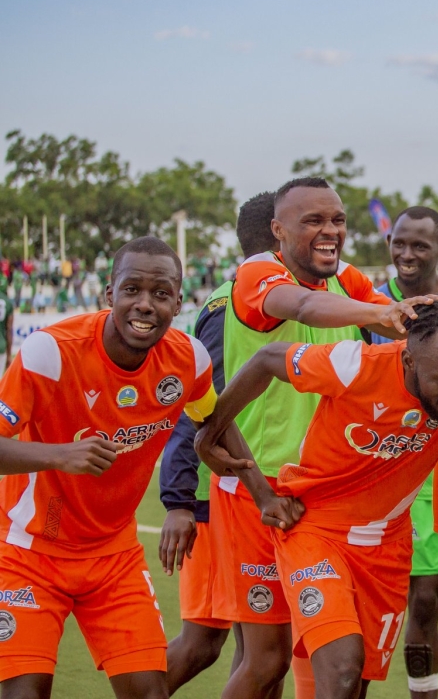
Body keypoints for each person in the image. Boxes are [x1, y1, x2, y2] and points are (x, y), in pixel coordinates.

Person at [0, 237, 292, 699]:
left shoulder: (187, 358)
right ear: (108, 294)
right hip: (30, 552)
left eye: (160, 293)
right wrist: (59, 455)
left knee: (150, 692)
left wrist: (263, 495)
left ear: (179, 300)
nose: (145, 304)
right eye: (132, 289)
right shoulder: (50, 352)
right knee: (24, 693)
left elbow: (214, 421)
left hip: (113, 556)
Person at [196, 298, 438, 699]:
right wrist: (209, 435)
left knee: (354, 684)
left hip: (386, 551)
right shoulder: (355, 365)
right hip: (315, 530)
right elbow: (268, 358)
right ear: (409, 363)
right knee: (340, 668)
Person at [211, 177, 438, 699]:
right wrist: (378, 314)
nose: (330, 232)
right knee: (265, 658)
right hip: (261, 486)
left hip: (326, 495)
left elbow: (401, 326)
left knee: (339, 660)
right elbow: (300, 307)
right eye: (313, 221)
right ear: (278, 230)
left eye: (337, 220)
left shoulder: (345, 277)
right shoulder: (259, 271)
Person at [156, 192, 278, 696]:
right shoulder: (232, 309)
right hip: (216, 497)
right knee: (206, 641)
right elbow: (199, 404)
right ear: (279, 234)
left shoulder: (253, 303)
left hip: (248, 489)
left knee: (260, 651)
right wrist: (180, 501)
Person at [366, 206, 438, 699]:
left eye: (419, 246)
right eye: (399, 243)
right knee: (378, 603)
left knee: (427, 599)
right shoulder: (367, 303)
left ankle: (425, 693)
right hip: (381, 464)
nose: (406, 254)